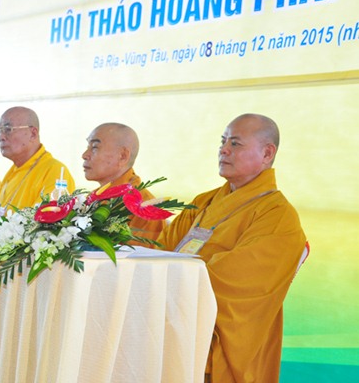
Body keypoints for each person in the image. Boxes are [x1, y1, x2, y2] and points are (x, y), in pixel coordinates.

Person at [157, 113, 307, 382]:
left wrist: (169, 276)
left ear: (267, 153)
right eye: (223, 141)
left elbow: (237, 282)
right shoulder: (203, 202)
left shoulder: (278, 216)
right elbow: (159, 253)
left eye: (235, 143)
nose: (223, 150)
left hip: (215, 342)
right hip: (169, 329)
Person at [0, 106, 76, 223]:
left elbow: (43, 225)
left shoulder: (55, 171)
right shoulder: (13, 173)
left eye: (8, 129)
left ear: (33, 134)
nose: (1, 137)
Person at [82, 123, 165, 242]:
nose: (84, 155)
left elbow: (138, 253)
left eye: (95, 147)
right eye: (88, 147)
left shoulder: (145, 208)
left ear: (122, 156)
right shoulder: (93, 198)